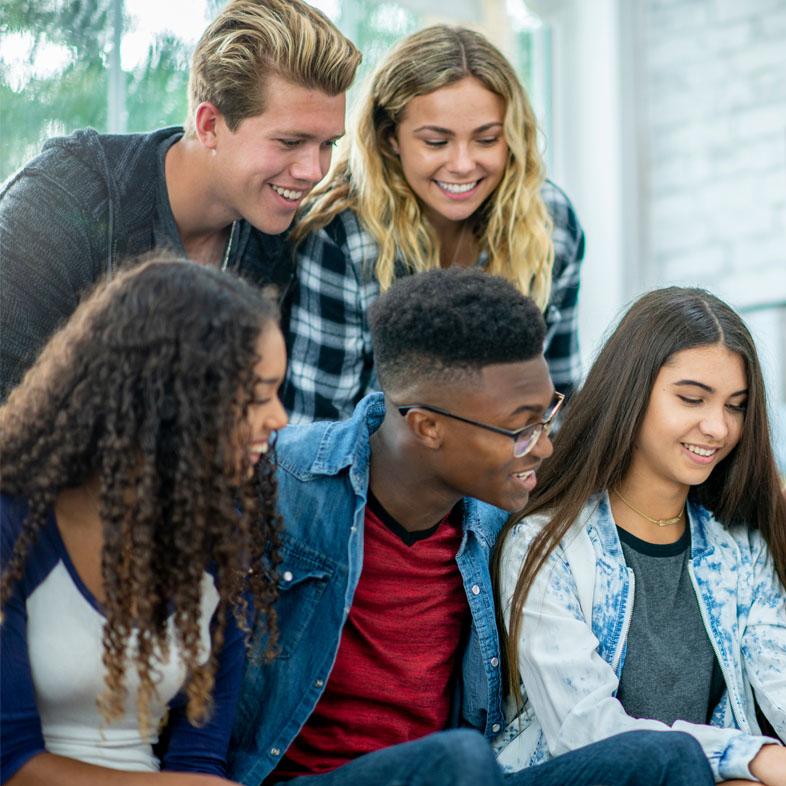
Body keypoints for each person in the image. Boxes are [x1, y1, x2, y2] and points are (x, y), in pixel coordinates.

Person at [230, 269, 714, 786]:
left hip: (465, 777)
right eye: (520, 427)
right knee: (459, 760)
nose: (544, 446)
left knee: (670, 757)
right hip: (325, 779)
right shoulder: (279, 485)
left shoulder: (497, 525)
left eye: (546, 414)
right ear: (428, 427)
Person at [0, 258, 289, 785]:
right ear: (171, 403)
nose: (280, 418)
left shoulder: (221, 533)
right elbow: (9, 762)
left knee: (452, 761)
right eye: (256, 397)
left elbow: (199, 755)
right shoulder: (14, 523)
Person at [493, 287, 786, 785]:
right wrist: (747, 754)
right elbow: (586, 732)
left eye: (736, 406)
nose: (716, 427)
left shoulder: (739, 548)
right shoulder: (545, 545)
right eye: (691, 398)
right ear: (631, 391)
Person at [0, 0, 360, 400]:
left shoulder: (280, 236)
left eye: (327, 144)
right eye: (289, 142)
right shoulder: (61, 199)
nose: (313, 170)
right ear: (209, 125)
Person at [283, 24, 585, 424]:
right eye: (436, 142)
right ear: (391, 137)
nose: (462, 164)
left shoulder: (552, 222)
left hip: (513, 477)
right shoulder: (341, 236)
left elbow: (561, 406)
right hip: (375, 484)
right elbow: (315, 435)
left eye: (487, 139)